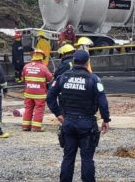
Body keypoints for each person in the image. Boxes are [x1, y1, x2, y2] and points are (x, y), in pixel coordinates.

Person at [47, 50, 111, 182]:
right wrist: (106, 119)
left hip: (68, 122)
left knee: (68, 157)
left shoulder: (63, 77)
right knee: (87, 158)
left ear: (73, 61)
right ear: (88, 62)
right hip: (86, 124)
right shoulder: (93, 79)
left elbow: (50, 97)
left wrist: (58, 113)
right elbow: (102, 101)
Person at [22, 49, 53, 132]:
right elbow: (50, 78)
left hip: (28, 92)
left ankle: (25, 126)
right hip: (39, 93)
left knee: (28, 108)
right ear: (41, 57)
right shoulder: (43, 67)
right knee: (39, 109)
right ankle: (36, 127)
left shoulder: (26, 66)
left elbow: (23, 77)